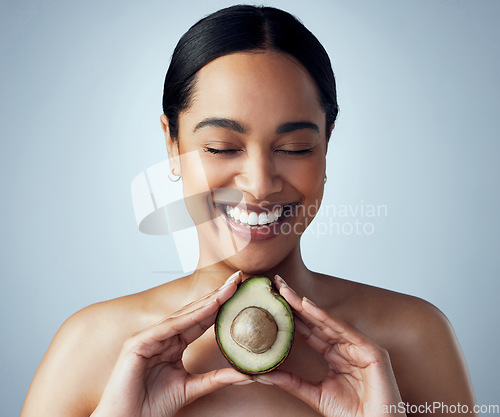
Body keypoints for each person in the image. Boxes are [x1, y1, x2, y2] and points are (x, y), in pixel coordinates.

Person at [21, 5, 476, 417]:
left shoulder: (411, 340)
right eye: (220, 148)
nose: (259, 184)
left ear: (327, 145)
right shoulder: (91, 346)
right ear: (171, 144)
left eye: (295, 147)